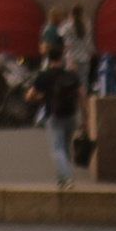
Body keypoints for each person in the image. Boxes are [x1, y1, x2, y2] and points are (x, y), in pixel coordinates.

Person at [36, 35, 82, 188]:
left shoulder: (44, 76)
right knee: (65, 148)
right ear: (61, 58)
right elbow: (82, 94)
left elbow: (30, 95)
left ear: (48, 59)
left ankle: (67, 178)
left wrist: (40, 96)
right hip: (71, 114)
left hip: (54, 115)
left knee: (57, 149)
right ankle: (61, 180)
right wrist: (87, 117)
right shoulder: (71, 74)